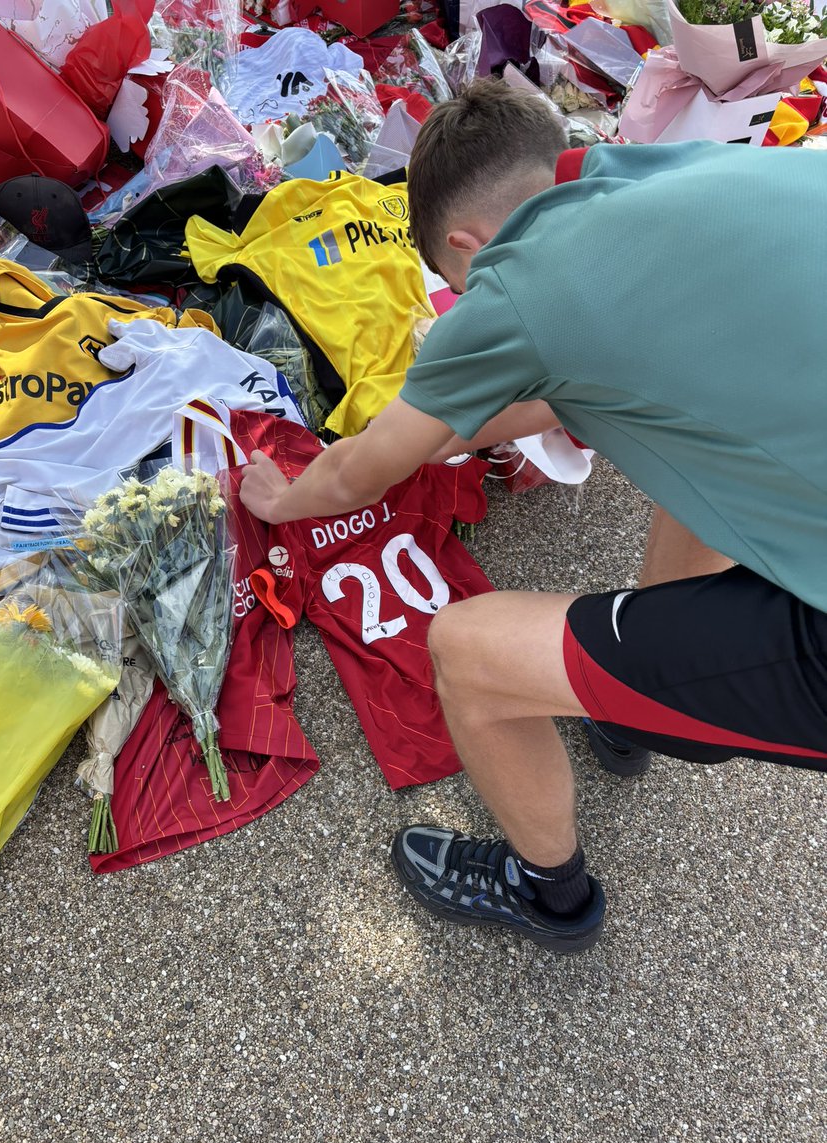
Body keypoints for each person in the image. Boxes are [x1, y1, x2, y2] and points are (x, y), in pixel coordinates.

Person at [240, 78, 827, 954]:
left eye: (458, 285)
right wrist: (441, 423)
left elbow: (361, 471)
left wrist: (283, 497)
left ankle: (549, 893)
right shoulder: (679, 172)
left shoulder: (521, 282)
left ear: (465, 247)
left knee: (466, 651)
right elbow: (578, 391)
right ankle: (634, 714)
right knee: (688, 458)